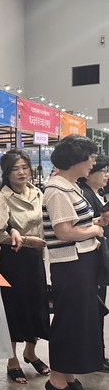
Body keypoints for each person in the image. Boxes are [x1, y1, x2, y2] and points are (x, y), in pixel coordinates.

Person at [42, 135, 105, 390]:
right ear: (75, 160)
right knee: (69, 321)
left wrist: (95, 221)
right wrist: (95, 229)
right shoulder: (57, 189)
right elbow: (64, 231)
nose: (93, 163)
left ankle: (67, 377)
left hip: (82, 261)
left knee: (78, 321)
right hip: (70, 264)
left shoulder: (71, 186)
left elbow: (75, 223)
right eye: (90, 158)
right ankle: (56, 381)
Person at [0, 149, 50, 385]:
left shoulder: (37, 192)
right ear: (6, 173)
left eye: (25, 167)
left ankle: (31, 353)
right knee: (13, 309)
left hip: (35, 258)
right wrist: (25, 240)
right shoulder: (1, 198)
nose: (21, 172)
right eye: (15, 169)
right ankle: (12, 360)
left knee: (36, 305)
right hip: (13, 259)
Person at [77, 154, 109, 372]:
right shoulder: (86, 195)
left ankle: (98, 354)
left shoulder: (97, 193)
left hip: (99, 257)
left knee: (98, 308)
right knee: (93, 309)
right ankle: (94, 356)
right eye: (103, 171)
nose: (106, 176)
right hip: (91, 258)